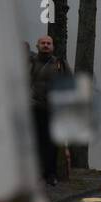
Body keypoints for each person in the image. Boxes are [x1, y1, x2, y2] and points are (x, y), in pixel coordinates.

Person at [29, 35, 71, 187]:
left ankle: (50, 174)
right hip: (34, 107)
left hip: (53, 109)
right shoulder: (30, 62)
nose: (46, 45)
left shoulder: (59, 64)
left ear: (52, 46)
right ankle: (38, 174)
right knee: (36, 142)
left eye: (48, 43)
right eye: (43, 43)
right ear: (37, 45)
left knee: (51, 144)